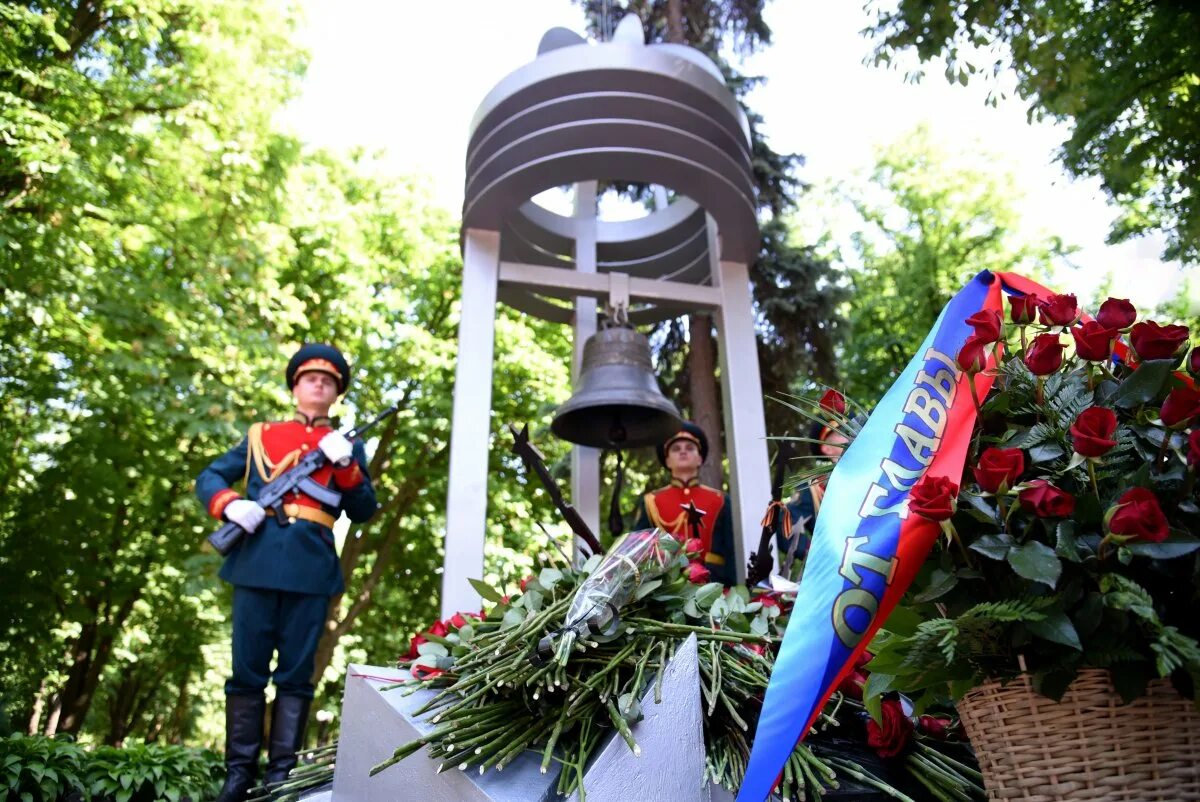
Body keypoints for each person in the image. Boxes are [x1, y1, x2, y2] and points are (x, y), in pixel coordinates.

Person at [195, 344, 377, 802]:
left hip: (312, 569)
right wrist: (230, 504)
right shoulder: (261, 435)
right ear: (295, 387)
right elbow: (210, 477)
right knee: (246, 672)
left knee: (296, 677)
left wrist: (347, 466)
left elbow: (364, 510)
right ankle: (238, 774)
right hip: (255, 561)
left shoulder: (347, 445)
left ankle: (281, 777)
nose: (319, 384)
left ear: (336, 393)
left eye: (329, 380)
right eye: (311, 378)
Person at [633, 422, 736, 585]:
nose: (683, 451)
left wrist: (733, 589)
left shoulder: (720, 500)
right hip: (666, 588)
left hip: (714, 587)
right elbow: (639, 550)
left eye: (689, 447)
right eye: (676, 449)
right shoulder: (651, 501)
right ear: (667, 461)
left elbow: (732, 552)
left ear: (700, 458)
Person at [779, 421, 849, 569]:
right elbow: (784, 522)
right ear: (827, 448)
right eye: (842, 432)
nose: (850, 434)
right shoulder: (815, 488)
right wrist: (817, 555)